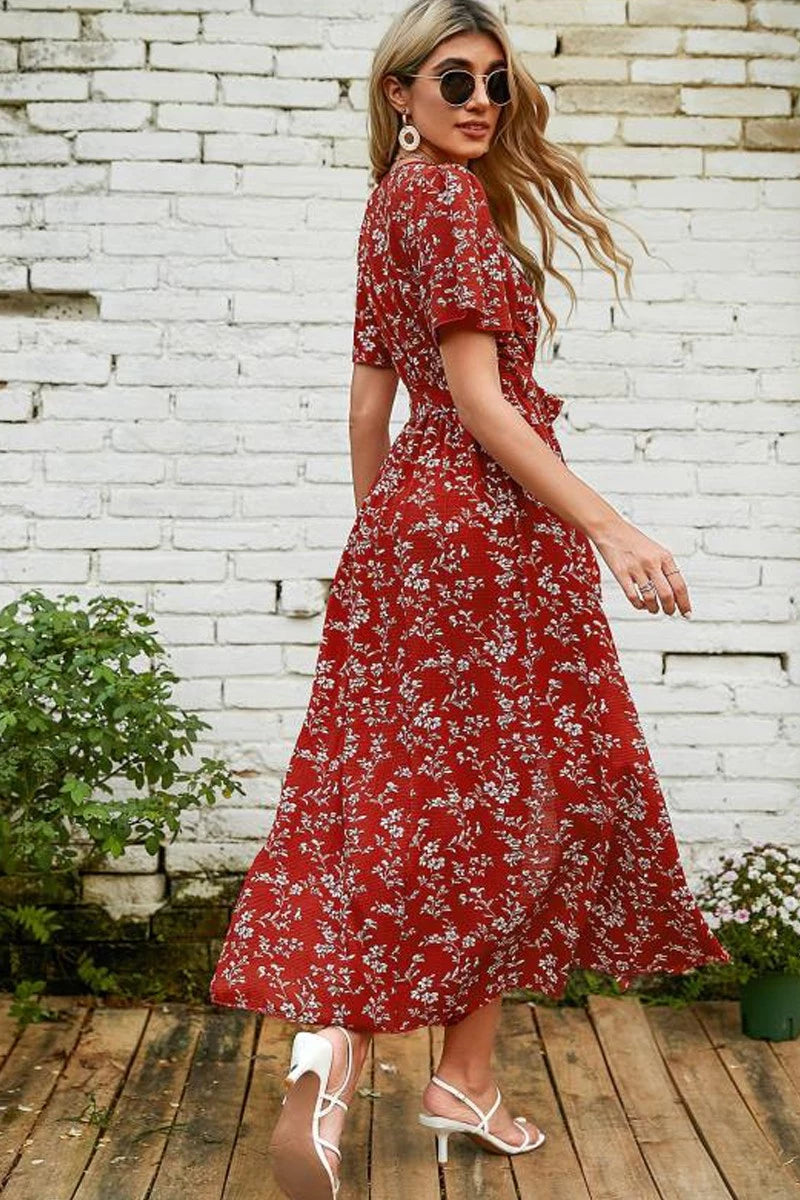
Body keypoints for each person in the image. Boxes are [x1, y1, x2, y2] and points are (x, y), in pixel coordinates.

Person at [208, 2, 732, 1196]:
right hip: (495, 532)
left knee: (412, 795)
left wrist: (383, 546)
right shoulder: (445, 204)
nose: (482, 101)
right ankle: (397, 1056)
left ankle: (415, 1065)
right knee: (529, 793)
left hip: (405, 528)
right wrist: (610, 526)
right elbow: (482, 406)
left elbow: (366, 409)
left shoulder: (386, 205)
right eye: (454, 79)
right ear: (398, 91)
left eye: (496, 80)